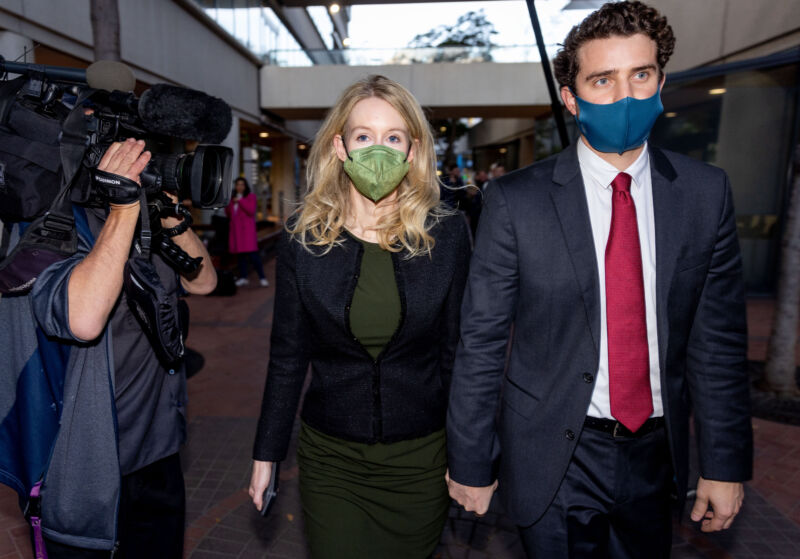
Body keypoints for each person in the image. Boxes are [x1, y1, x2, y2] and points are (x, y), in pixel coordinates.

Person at [446, 2, 752, 558]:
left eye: (640, 74)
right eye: (603, 80)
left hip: (657, 455)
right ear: (572, 96)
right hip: (553, 451)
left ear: (662, 80)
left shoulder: (706, 193)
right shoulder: (516, 201)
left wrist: (724, 464)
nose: (626, 95)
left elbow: (719, 344)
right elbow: (482, 342)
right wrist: (470, 461)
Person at [248, 75, 471, 559]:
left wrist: (471, 456)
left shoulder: (447, 233)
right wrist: (266, 452)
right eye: (364, 136)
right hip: (332, 460)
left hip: (422, 458)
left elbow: (459, 353)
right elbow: (287, 356)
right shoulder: (303, 237)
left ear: (412, 150)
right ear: (340, 147)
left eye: (393, 137)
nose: (379, 150)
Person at [28, 138, 217, 557]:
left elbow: (204, 282)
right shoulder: (64, 222)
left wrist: (168, 207)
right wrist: (122, 208)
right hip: (91, 465)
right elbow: (83, 319)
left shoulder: (150, 220)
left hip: (160, 450)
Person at [226, 177, 268, 287]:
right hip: (236, 232)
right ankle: (244, 277)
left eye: (242, 184)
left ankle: (262, 277)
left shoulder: (251, 197)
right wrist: (230, 202)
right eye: (238, 184)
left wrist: (240, 201)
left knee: (254, 256)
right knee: (240, 257)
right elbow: (229, 213)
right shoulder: (232, 198)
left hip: (247, 233)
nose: (239, 186)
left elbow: (250, 211)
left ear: (245, 186)